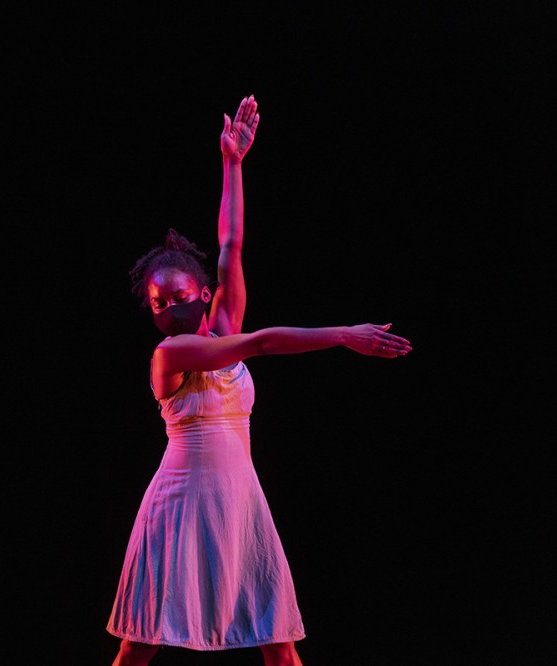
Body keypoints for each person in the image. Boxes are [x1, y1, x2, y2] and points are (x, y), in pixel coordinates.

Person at [106, 95, 413, 666]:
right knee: (141, 639)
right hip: (181, 500)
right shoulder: (170, 354)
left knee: (279, 638)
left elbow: (231, 245)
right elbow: (262, 343)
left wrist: (233, 164)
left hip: (239, 499)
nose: (168, 308)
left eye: (178, 296)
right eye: (157, 303)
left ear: (203, 295)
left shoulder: (222, 324)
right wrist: (343, 334)